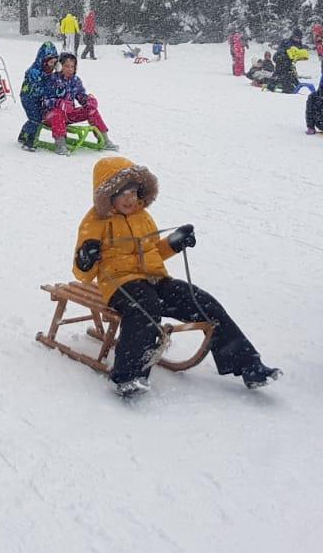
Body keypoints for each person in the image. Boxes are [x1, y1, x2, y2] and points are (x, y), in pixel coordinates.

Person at [72, 156, 280, 397]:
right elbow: (83, 274)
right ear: (108, 195)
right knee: (145, 307)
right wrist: (85, 258)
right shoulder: (94, 223)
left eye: (133, 191)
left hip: (154, 279)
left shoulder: (142, 216)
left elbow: (151, 252)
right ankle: (129, 376)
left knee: (202, 302)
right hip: (119, 285)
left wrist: (173, 243)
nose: (130, 199)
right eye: (122, 193)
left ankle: (247, 365)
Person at [44, 54, 117, 155]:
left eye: (72, 67)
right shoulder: (52, 80)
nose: (69, 69)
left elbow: (81, 96)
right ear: (60, 66)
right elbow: (45, 100)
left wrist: (89, 101)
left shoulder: (75, 80)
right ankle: (60, 145)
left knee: (92, 111)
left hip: (69, 114)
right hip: (50, 116)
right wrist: (58, 103)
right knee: (58, 113)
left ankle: (105, 140)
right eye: (66, 66)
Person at [17, 43, 62, 151]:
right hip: (28, 98)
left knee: (36, 117)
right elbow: (39, 87)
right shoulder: (34, 72)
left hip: (37, 99)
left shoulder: (49, 72)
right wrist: (48, 90)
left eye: (55, 63)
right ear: (43, 61)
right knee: (36, 119)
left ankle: (23, 134)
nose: (52, 65)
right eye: (51, 62)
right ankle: (29, 142)